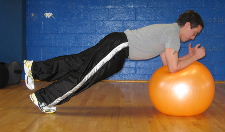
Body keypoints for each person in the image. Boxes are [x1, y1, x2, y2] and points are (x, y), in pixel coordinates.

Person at [24, 10, 206, 113]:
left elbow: (168, 65)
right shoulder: (173, 34)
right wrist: (195, 57)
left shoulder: (170, 31)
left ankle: (34, 68)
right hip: (119, 46)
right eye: (194, 33)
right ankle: (43, 99)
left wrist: (190, 57)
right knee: (85, 76)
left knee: (78, 62)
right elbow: (174, 68)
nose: (192, 38)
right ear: (188, 25)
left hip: (117, 44)